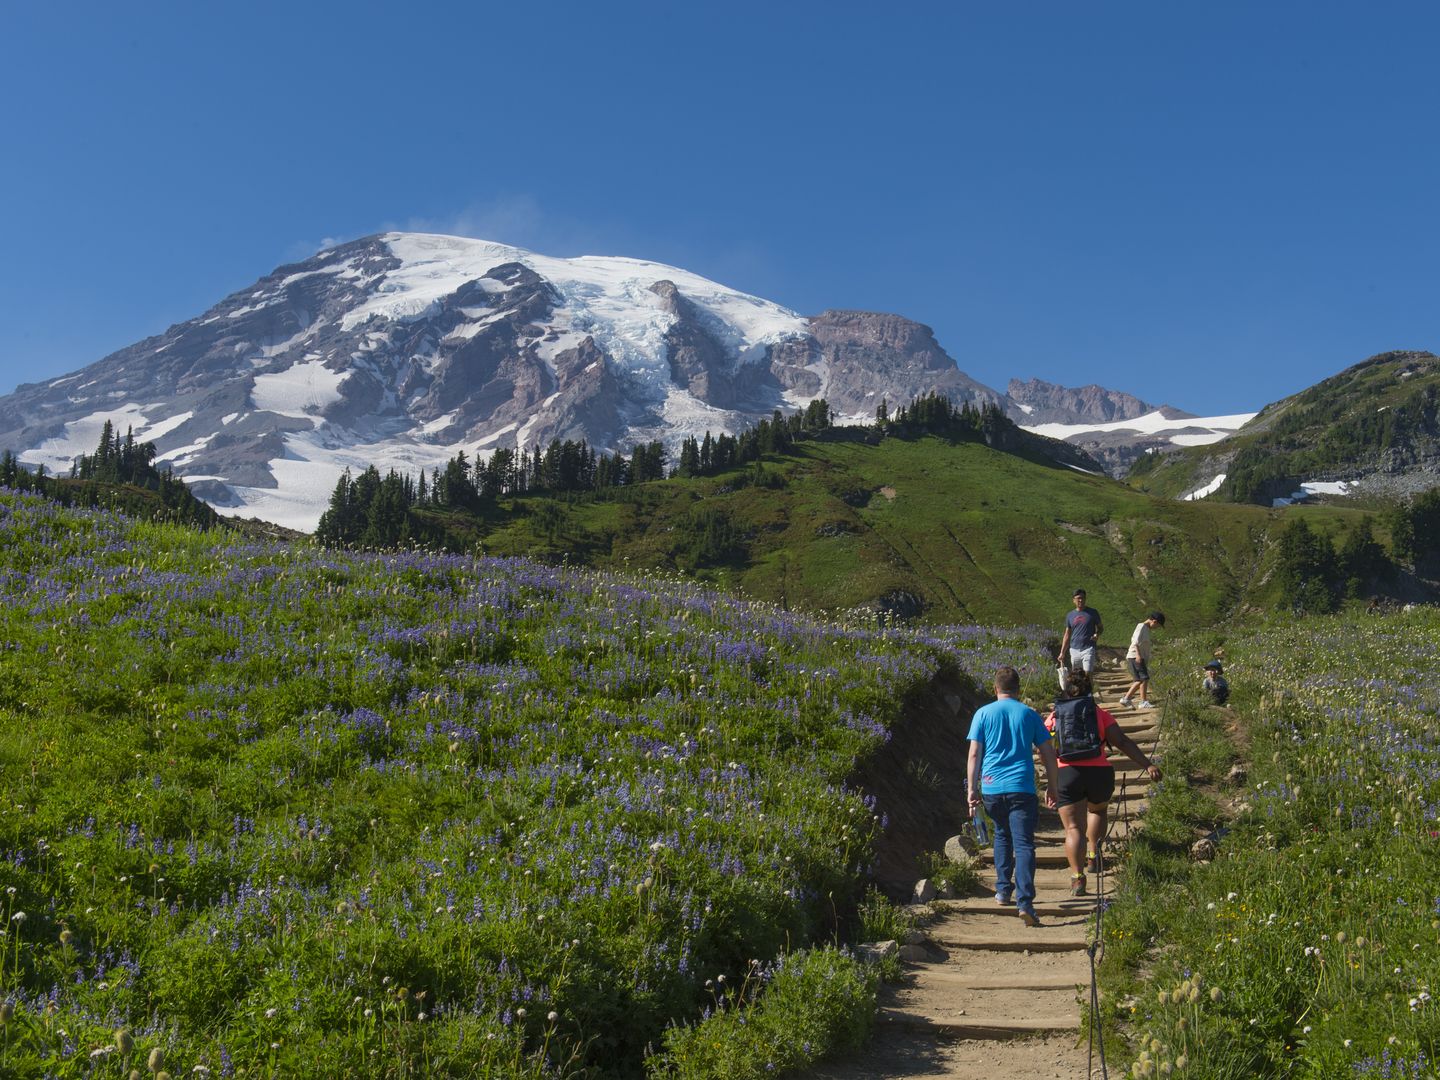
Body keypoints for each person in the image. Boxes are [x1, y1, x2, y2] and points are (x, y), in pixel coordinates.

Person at [1045, 668, 1162, 894]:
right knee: (1097, 811)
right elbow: (1122, 742)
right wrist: (1147, 765)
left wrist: (1050, 779)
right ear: (1090, 690)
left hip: (1068, 774)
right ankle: (1093, 855)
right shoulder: (1100, 713)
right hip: (1099, 772)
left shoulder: (1055, 715)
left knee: (1072, 827)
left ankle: (1077, 877)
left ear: (1067, 691)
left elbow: (1044, 747)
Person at [967, 666, 1061, 926]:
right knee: (1024, 844)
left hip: (992, 787)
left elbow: (975, 754)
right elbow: (1048, 753)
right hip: (1021, 786)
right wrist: (1052, 786)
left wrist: (971, 789)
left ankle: (1002, 890)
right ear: (1018, 689)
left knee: (1001, 834)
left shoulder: (982, 714)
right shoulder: (1029, 715)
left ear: (995, 688)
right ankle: (1025, 902)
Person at [1119, 611, 1165, 709]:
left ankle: (1127, 699)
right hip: (1136, 656)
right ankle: (1142, 701)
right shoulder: (1141, 627)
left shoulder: (1146, 629)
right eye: (1158, 625)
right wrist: (1139, 655)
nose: (1156, 628)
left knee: (1139, 679)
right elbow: (1135, 642)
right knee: (1144, 678)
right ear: (1154, 621)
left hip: (1137, 656)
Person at [1057, 588, 1103, 678]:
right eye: (1078, 598)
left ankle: (1089, 692)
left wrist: (1097, 634)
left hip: (1088, 648)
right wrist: (1062, 652)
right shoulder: (1070, 615)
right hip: (1074, 649)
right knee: (1077, 676)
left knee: (1087, 673)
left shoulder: (1093, 613)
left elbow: (1101, 627)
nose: (1081, 600)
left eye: (1083, 598)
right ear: (1073, 600)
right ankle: (1081, 692)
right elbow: (1067, 634)